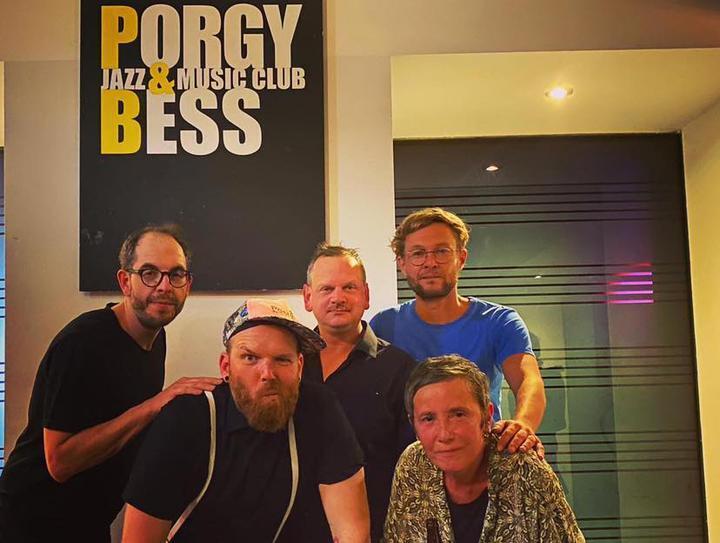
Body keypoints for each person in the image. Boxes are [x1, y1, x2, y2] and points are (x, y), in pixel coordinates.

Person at [0, 225, 221, 543]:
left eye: (175, 274)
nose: (164, 286)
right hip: (31, 521)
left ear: (188, 284)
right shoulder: (82, 342)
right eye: (149, 273)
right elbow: (59, 463)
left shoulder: (155, 338)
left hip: (89, 519)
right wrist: (156, 404)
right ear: (125, 282)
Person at [122, 298, 370, 543]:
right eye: (250, 358)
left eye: (282, 359)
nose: (268, 374)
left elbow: (352, 534)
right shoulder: (187, 419)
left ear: (299, 367)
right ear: (226, 367)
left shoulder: (319, 410)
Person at [370, 207, 546, 456]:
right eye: (418, 254)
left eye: (441, 251)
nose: (430, 262)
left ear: (461, 258)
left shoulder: (500, 321)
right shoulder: (383, 325)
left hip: (482, 461)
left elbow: (529, 380)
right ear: (403, 264)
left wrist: (523, 425)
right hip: (408, 464)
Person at [384, 355, 584, 543]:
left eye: (458, 414)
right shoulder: (412, 467)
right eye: (428, 419)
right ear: (413, 424)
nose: (444, 434)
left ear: (487, 416)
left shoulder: (525, 470)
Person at [302, 243, 417, 542]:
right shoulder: (286, 364)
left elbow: (412, 463)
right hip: (292, 528)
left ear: (365, 295)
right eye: (327, 288)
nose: (338, 298)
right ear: (308, 297)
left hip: (374, 530)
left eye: (349, 287)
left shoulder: (401, 369)